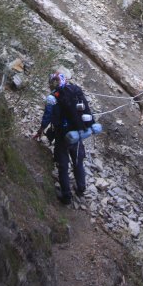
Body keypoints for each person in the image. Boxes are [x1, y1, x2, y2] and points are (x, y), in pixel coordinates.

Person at [34, 72, 89, 205]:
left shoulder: (52, 97)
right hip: (76, 133)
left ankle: (66, 196)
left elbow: (47, 116)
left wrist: (41, 130)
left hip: (62, 136)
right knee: (77, 162)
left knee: (63, 165)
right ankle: (81, 189)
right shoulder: (74, 91)